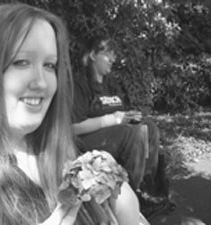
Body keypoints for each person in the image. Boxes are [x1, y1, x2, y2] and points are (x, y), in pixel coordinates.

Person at [0, 4, 141, 225]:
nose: (41, 82)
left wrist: (121, 197)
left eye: (50, 65)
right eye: (21, 62)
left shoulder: (62, 154)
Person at [72, 35, 174, 218]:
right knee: (134, 133)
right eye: (108, 53)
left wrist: (129, 117)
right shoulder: (80, 84)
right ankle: (135, 193)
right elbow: (74, 127)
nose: (113, 58)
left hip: (115, 135)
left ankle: (147, 187)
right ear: (93, 55)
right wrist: (112, 119)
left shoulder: (111, 84)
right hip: (87, 141)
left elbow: (120, 115)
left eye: (114, 54)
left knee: (149, 126)